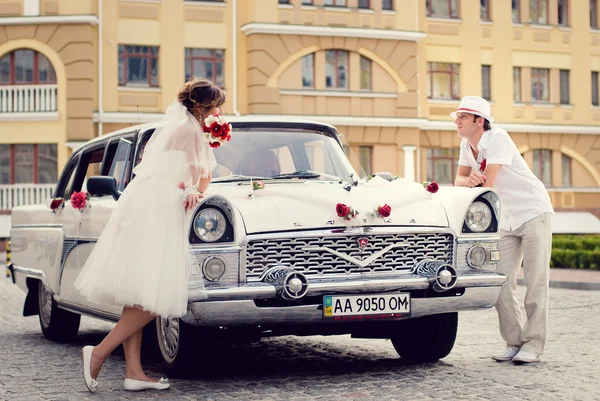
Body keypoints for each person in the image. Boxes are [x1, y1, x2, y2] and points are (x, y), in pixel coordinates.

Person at [74, 77, 225, 392]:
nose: (219, 111)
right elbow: (202, 182)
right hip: (160, 207)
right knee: (155, 293)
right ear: (204, 107)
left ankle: (134, 372)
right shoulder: (193, 132)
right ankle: (98, 352)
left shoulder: (173, 129)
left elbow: (158, 169)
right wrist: (195, 186)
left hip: (145, 201)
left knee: (140, 290)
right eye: (216, 106)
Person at [452, 96, 554, 364]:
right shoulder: (466, 144)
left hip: (533, 211)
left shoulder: (498, 137)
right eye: (457, 116)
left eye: (463, 116)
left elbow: (490, 183)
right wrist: (468, 179)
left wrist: (472, 182)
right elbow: (459, 178)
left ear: (479, 120)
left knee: (535, 281)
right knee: (501, 282)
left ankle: (533, 344)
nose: (457, 120)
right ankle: (514, 341)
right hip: (506, 218)